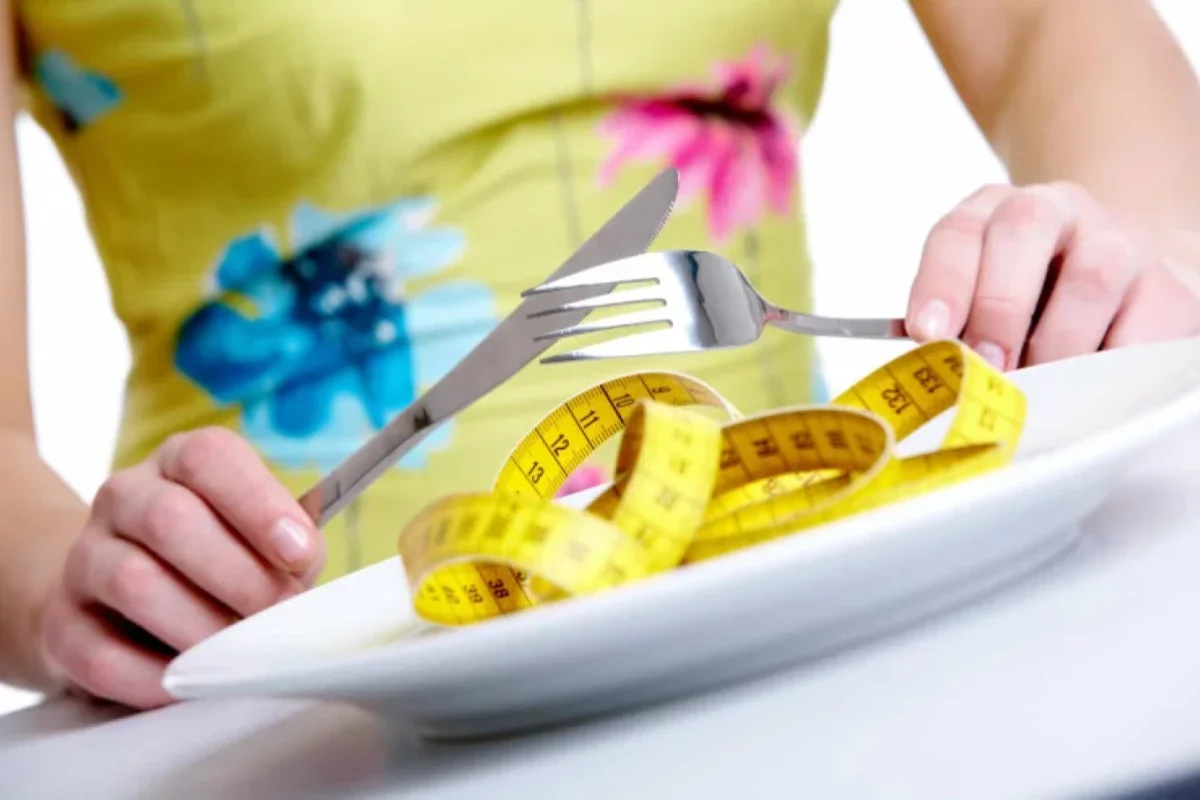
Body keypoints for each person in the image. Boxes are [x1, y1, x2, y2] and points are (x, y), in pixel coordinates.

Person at [1, 0, 1199, 710]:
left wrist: (1120, 253)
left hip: (801, 626)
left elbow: (1050, 29)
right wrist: (71, 582)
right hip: (298, 700)